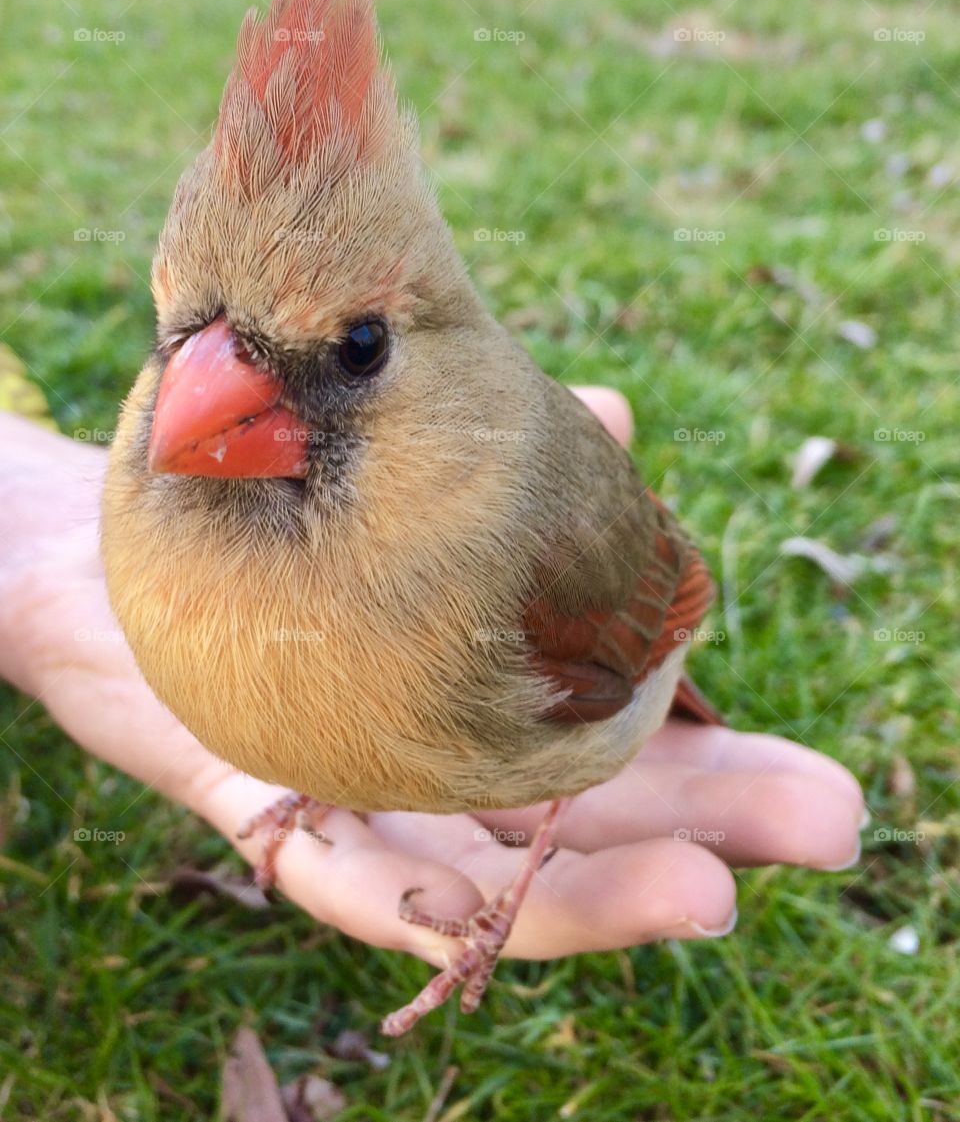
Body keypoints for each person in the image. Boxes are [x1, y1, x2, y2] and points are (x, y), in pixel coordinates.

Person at [0, 390, 864, 971]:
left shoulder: (519, 587)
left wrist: (500, 910)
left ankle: (502, 902)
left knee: (573, 741)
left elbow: (671, 586)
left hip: (589, 673)